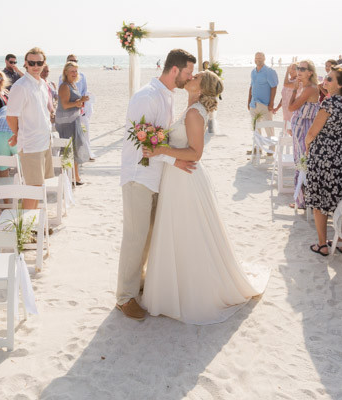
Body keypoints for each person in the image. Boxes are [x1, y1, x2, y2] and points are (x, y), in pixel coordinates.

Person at [140, 71, 269, 323]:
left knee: (187, 231)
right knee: (178, 231)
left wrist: (160, 149)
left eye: (196, 77)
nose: (190, 77)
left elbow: (195, 153)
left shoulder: (194, 112)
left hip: (185, 179)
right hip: (177, 177)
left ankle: (190, 290)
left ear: (201, 88)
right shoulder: (190, 109)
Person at [115, 49, 196, 320]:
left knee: (149, 235)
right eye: (188, 72)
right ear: (174, 70)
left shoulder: (166, 95)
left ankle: (138, 283)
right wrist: (176, 162)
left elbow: (160, 141)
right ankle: (125, 298)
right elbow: (144, 140)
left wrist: (172, 163)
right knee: (135, 237)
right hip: (138, 175)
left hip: (156, 175)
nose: (190, 77)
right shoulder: (146, 96)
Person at [305, 66, 342, 255]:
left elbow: (312, 132)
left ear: (340, 84)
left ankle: (322, 244)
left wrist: (307, 144)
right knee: (340, 197)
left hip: (324, 155)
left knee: (320, 200)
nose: (325, 81)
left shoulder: (328, 103)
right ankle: (341, 241)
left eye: (329, 79)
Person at [6, 47, 54, 210]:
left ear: (44, 63)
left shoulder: (41, 84)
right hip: (31, 144)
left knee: (38, 187)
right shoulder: (21, 86)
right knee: (32, 189)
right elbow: (11, 116)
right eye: (32, 63)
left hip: (44, 142)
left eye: (39, 62)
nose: (36, 66)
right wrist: (17, 133)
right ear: (25, 64)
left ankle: (33, 224)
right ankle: (27, 229)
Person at [287, 61, 319, 208]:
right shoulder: (305, 88)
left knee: (303, 161)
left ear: (310, 72)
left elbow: (292, 106)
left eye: (302, 69)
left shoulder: (310, 89)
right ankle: (301, 199)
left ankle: (303, 200)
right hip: (299, 127)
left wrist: (294, 90)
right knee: (300, 161)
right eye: (298, 68)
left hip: (304, 128)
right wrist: (295, 88)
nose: (298, 71)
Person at [56, 62, 92, 184]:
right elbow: (65, 105)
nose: (74, 73)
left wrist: (81, 100)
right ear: (65, 72)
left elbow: (73, 102)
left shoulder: (73, 85)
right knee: (67, 151)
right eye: (72, 71)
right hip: (66, 122)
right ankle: (68, 178)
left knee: (75, 149)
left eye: (76, 71)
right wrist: (78, 103)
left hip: (74, 120)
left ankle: (75, 177)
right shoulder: (64, 86)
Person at [66, 54, 95, 160]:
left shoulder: (82, 76)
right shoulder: (62, 77)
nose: (73, 63)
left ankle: (88, 153)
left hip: (81, 108)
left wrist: (83, 104)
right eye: (70, 61)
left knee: (85, 131)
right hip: (69, 109)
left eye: (75, 61)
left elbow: (84, 91)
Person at [247, 51, 278, 138]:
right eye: (256, 58)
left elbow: (274, 87)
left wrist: (271, 103)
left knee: (268, 127)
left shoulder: (269, 71)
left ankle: (271, 150)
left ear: (264, 59)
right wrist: (249, 101)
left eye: (260, 58)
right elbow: (251, 86)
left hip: (265, 104)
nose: (258, 60)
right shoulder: (253, 72)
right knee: (255, 127)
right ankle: (257, 148)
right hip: (253, 104)